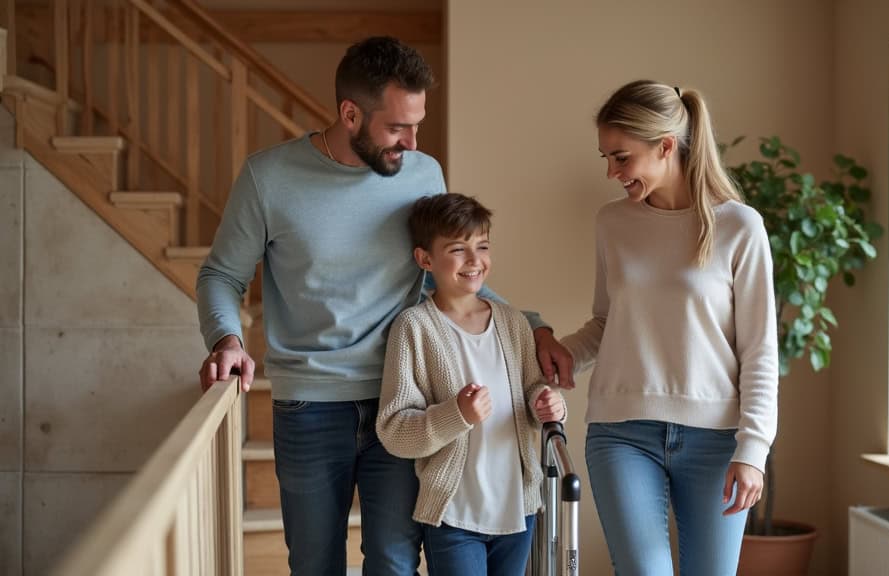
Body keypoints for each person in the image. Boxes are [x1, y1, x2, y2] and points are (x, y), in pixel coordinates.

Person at [195, 36, 574, 575]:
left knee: (396, 562)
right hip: (309, 406)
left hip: (405, 401)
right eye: (398, 127)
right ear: (350, 114)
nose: (412, 141)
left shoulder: (422, 174)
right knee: (314, 563)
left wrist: (532, 329)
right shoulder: (268, 178)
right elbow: (221, 275)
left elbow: (446, 279)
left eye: (417, 124)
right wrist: (227, 339)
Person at [560, 80, 779, 575]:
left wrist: (754, 450)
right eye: (606, 158)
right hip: (622, 433)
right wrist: (563, 354)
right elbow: (608, 320)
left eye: (621, 158)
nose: (611, 172)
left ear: (664, 147)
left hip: (718, 440)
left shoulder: (739, 227)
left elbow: (760, 350)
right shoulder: (612, 223)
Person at [376, 193, 566, 576]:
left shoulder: (514, 323)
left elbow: (531, 391)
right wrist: (456, 415)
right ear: (425, 260)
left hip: (518, 509)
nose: (474, 260)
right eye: (458, 250)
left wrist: (547, 402)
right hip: (454, 514)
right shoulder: (414, 328)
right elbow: (394, 430)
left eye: (482, 246)